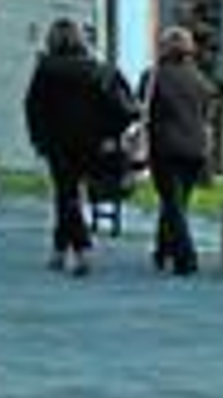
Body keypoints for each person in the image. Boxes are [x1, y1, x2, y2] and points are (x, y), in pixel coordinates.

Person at [23, 16, 138, 276]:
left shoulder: (46, 70)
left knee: (66, 195)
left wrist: (39, 140)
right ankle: (60, 250)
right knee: (70, 197)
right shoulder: (99, 70)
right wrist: (111, 134)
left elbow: (33, 109)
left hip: (58, 144)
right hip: (94, 143)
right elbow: (124, 110)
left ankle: (81, 248)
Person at [144, 24, 216, 277]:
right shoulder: (200, 80)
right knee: (176, 202)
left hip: (166, 148)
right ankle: (162, 251)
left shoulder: (154, 76)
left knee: (172, 204)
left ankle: (186, 258)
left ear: (163, 48)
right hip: (196, 150)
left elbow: (143, 110)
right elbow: (208, 114)